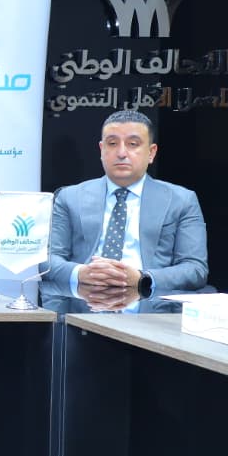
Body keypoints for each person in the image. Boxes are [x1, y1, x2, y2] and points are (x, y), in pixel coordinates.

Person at [40, 109, 208, 313]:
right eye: (112, 144)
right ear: (101, 150)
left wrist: (142, 278)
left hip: (151, 315)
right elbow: (47, 260)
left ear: (151, 153)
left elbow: (195, 268)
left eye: (133, 144)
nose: (121, 153)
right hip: (84, 311)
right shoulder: (70, 197)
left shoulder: (181, 200)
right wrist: (82, 273)